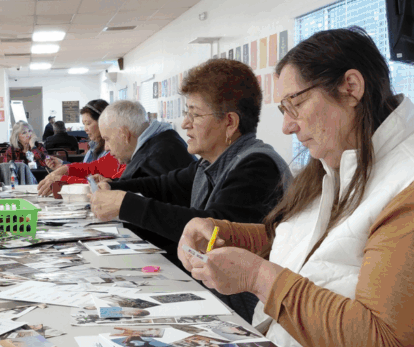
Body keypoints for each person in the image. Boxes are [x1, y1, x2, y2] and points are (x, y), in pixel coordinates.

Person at [178, 30, 414, 347]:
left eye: (296, 104)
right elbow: (308, 242)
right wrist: (228, 234)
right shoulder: (343, 156)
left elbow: (390, 345)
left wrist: (258, 278)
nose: (287, 126)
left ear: (351, 87)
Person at [87, 58, 290, 255]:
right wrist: (112, 187)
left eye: (196, 115)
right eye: (187, 113)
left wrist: (125, 205)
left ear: (230, 122)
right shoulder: (208, 163)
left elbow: (212, 230)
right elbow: (163, 186)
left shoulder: (258, 167)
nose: (185, 123)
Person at [36, 99, 190, 194]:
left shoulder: (154, 157)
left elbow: (119, 191)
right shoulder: (154, 143)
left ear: (124, 134)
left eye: (108, 139)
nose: (107, 148)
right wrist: (66, 169)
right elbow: (95, 169)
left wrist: (64, 179)